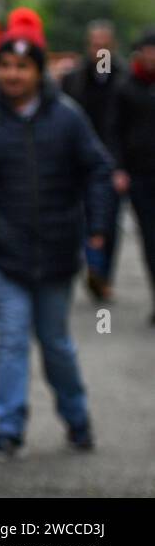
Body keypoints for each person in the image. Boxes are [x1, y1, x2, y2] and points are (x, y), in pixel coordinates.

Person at [0, 8, 112, 461]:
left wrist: (98, 226)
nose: (12, 75)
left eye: (22, 67)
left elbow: (97, 170)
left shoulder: (68, 120)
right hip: (4, 256)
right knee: (12, 340)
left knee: (55, 344)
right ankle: (9, 431)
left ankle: (77, 420)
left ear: (38, 71)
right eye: (5, 66)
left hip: (56, 255)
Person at [61, 19, 126, 300]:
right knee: (80, 219)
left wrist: (121, 165)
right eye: (95, 44)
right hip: (78, 163)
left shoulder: (123, 79)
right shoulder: (73, 79)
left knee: (108, 222)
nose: (100, 50)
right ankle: (91, 266)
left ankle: (102, 275)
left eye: (104, 45)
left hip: (111, 163)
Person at [110, 27, 155, 324]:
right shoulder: (125, 87)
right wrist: (118, 168)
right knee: (151, 239)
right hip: (141, 175)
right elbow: (114, 131)